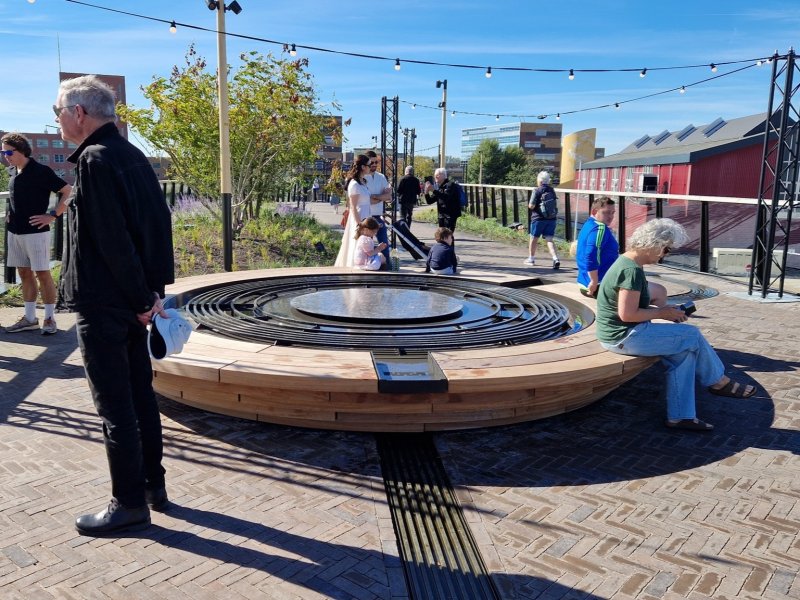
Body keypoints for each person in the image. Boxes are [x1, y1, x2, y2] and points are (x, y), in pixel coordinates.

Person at [54, 75, 175, 535]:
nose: (59, 120)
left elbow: (111, 240)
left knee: (115, 405)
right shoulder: (130, 154)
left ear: (79, 113)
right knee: (140, 396)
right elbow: (156, 226)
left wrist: (142, 298)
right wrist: (150, 294)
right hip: (130, 301)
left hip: (107, 303)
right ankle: (151, 487)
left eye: (59, 112)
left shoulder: (95, 161)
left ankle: (127, 502)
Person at [596, 218, 756, 432]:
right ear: (655, 244)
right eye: (666, 249)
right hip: (623, 337)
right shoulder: (631, 271)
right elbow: (627, 315)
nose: (665, 255)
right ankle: (719, 381)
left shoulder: (629, 263)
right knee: (691, 335)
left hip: (623, 333)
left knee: (685, 355)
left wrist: (668, 312)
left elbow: (631, 310)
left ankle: (681, 417)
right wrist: (663, 312)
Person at [2, 132, 72, 335]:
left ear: (22, 150)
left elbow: (69, 191)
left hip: (36, 232)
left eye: (8, 151)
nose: (5, 155)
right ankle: (30, 318)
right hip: (15, 232)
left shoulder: (40, 171)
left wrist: (53, 215)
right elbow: (16, 197)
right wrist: (9, 214)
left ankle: (49, 318)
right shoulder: (13, 171)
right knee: (24, 273)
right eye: (3, 151)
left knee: (42, 273)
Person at [576, 196, 667, 306]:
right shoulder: (600, 228)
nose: (611, 216)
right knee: (660, 291)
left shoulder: (588, 225)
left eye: (613, 213)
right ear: (595, 211)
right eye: (606, 212)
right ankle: (648, 320)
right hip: (599, 285)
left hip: (584, 283)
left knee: (643, 290)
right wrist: (593, 281)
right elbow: (590, 254)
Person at [334, 155, 372, 267]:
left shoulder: (363, 182)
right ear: (363, 167)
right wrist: (359, 224)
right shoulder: (354, 184)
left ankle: (364, 265)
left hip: (366, 215)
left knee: (365, 243)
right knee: (357, 242)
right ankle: (353, 265)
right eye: (369, 165)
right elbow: (353, 206)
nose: (371, 167)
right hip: (359, 217)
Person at [525, 171, 560, 269]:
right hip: (551, 218)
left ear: (539, 181)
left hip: (538, 219)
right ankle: (555, 258)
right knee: (549, 239)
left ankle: (531, 259)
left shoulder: (537, 190)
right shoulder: (552, 190)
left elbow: (531, 206)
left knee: (534, 238)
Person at [365, 150, 392, 264]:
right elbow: (366, 200)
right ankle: (368, 264)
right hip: (366, 216)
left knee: (384, 243)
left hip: (378, 215)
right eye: (372, 162)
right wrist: (381, 197)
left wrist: (376, 197)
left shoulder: (381, 177)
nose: (375, 164)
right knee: (367, 245)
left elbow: (389, 197)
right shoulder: (362, 178)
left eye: (377, 162)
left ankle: (387, 265)